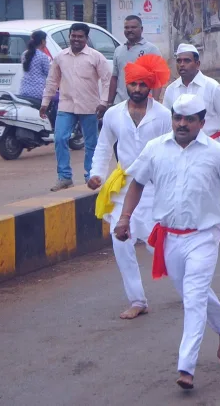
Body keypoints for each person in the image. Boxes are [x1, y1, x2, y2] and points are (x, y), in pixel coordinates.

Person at [114, 94, 220, 390]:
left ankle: (186, 367)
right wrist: (124, 218)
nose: (181, 123)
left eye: (189, 119)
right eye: (177, 117)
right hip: (169, 237)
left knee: (193, 298)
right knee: (193, 292)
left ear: (202, 122)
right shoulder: (155, 149)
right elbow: (136, 182)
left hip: (204, 236)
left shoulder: (215, 152)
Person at [87, 54, 172, 319]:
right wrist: (96, 174)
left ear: (151, 87)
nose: (137, 89)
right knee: (120, 240)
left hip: (154, 188)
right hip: (124, 186)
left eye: (142, 85)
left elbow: (174, 151)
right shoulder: (113, 115)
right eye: (133, 84)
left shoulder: (164, 116)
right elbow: (103, 146)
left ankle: (191, 282)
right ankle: (137, 300)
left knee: (155, 245)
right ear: (127, 84)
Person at [41, 22, 111, 192]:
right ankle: (64, 177)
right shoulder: (60, 57)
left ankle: (91, 176)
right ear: (69, 36)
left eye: (80, 36)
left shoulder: (96, 57)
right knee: (60, 139)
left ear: (86, 38)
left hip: (90, 106)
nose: (76, 39)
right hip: (66, 105)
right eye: (73, 36)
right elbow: (52, 81)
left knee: (91, 142)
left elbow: (107, 79)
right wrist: (45, 102)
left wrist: (104, 102)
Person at [163, 43, 220, 141]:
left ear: (197, 64)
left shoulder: (212, 86)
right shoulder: (171, 89)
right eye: (179, 61)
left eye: (187, 61)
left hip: (210, 146)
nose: (182, 64)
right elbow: (166, 119)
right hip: (180, 148)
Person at [108, 15, 162, 105]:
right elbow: (115, 77)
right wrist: (110, 102)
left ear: (141, 29)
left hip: (142, 104)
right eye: (126, 27)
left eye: (133, 27)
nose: (129, 30)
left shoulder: (151, 50)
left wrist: (154, 103)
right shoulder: (118, 50)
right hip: (120, 103)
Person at [18, 30, 53, 113]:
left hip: (23, 90)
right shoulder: (43, 56)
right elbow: (49, 74)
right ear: (42, 41)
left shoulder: (24, 54)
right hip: (38, 92)